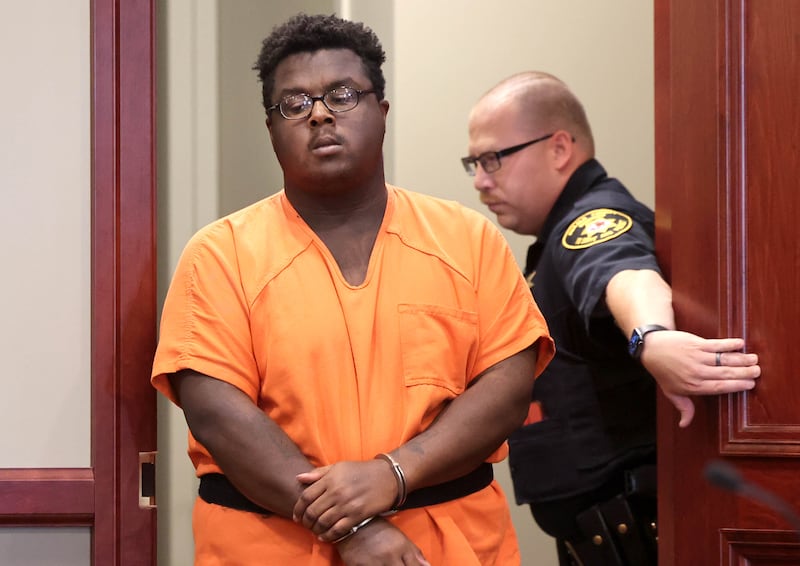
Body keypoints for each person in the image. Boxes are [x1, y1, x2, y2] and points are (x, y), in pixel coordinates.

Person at [152, 14, 555, 566]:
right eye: (293, 104)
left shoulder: (467, 239)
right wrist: (356, 530)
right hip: (271, 546)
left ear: (381, 113)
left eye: (342, 95)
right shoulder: (219, 254)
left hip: (448, 545)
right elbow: (217, 412)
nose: (319, 114)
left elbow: (507, 385)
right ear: (271, 128)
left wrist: (394, 473)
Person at [462, 71, 761, 565]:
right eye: (474, 163)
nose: (480, 180)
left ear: (559, 149)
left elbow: (621, 272)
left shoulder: (590, 219)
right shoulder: (556, 235)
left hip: (634, 535)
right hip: (606, 536)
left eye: (493, 158)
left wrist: (651, 335)